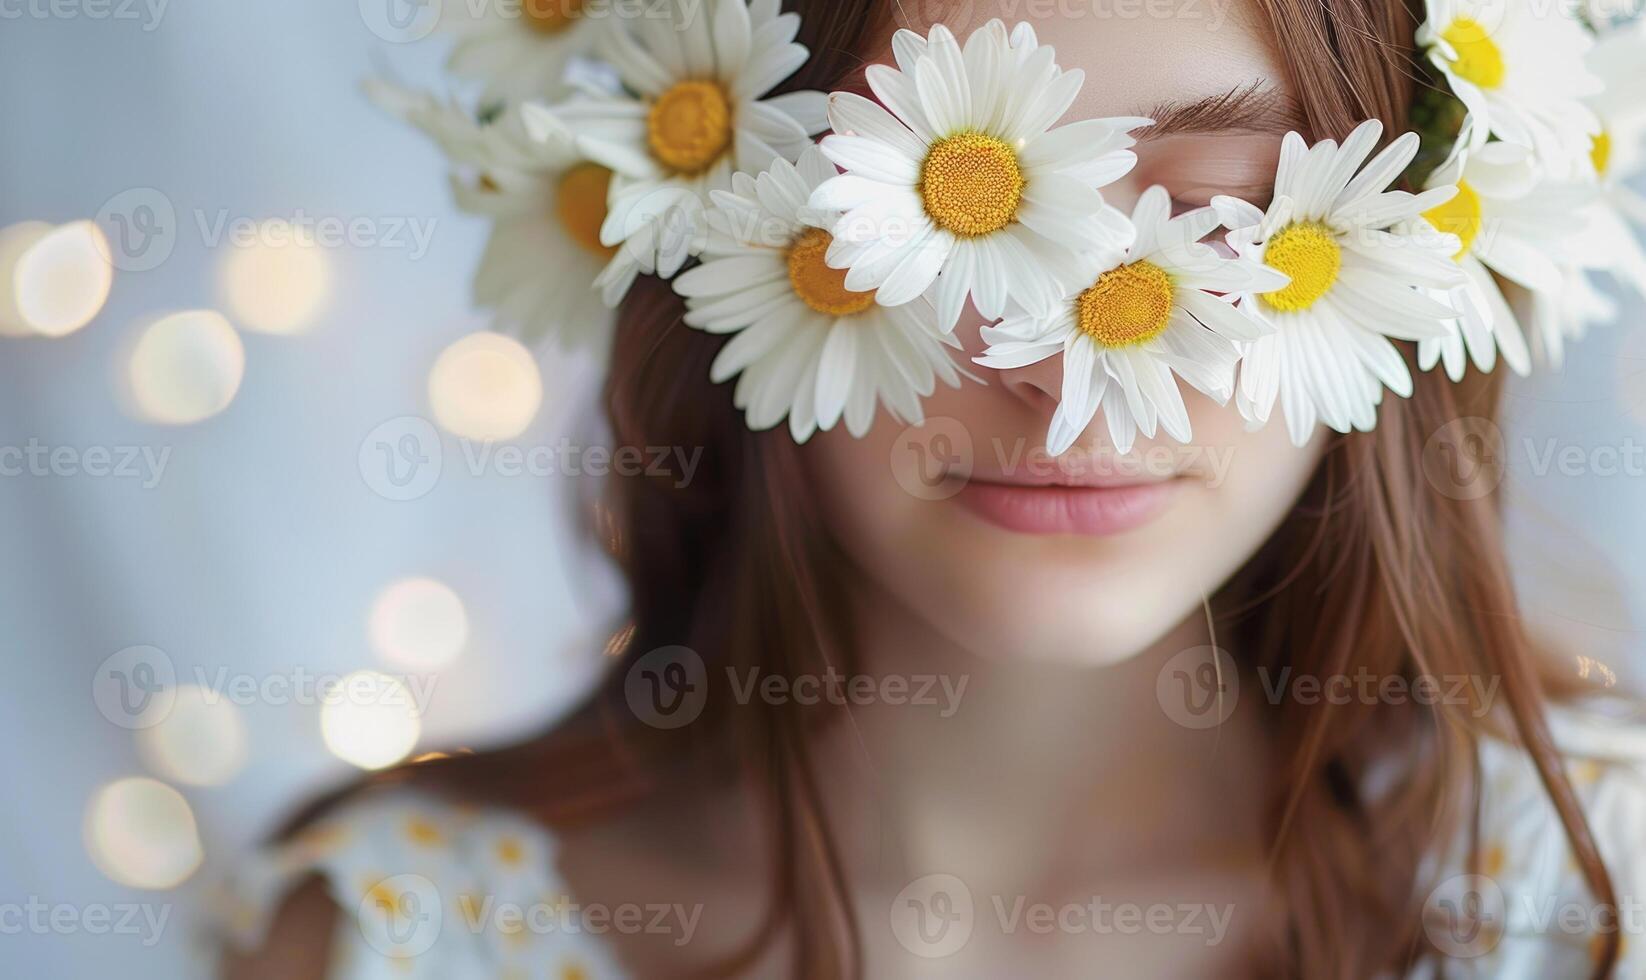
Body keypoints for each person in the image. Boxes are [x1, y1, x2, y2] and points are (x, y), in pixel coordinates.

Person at [220, 0, 1646, 975]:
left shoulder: (1585, 908)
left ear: (1411, 261)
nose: (1067, 368)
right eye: (938, 224)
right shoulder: (397, 942)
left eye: (1220, 216)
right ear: (711, 236)